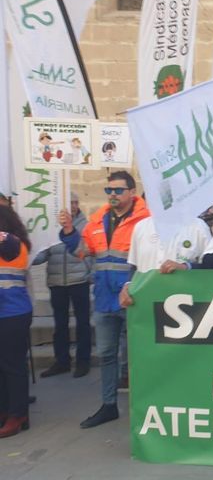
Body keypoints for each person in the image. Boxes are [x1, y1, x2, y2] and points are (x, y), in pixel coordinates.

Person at [59, 170, 150, 428]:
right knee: (107, 354)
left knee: (140, 356)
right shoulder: (98, 220)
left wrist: (134, 287)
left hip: (134, 298)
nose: (112, 194)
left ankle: (145, 406)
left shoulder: (146, 221)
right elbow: (82, 252)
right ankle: (109, 406)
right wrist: (69, 231)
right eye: (109, 190)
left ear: (132, 192)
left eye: (118, 190)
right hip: (103, 299)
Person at [32, 192, 93, 378]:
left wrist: (91, 272)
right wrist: (29, 257)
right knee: (60, 325)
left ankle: (83, 362)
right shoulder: (52, 227)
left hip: (79, 280)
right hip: (57, 281)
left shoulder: (86, 225)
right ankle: (62, 361)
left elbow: (90, 250)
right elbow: (43, 254)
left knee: (83, 323)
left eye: (75, 203)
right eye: (69, 203)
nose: (73, 206)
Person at [117, 214, 212, 308]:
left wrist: (186, 267)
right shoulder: (141, 226)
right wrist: (128, 285)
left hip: (185, 302)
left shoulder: (198, 227)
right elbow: (134, 267)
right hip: (145, 301)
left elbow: (210, 269)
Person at [0, 207, 34, 438]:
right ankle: (6, 410)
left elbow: (9, 247)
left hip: (12, 313)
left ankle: (18, 414)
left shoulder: (12, 242)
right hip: (8, 312)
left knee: (13, 366)